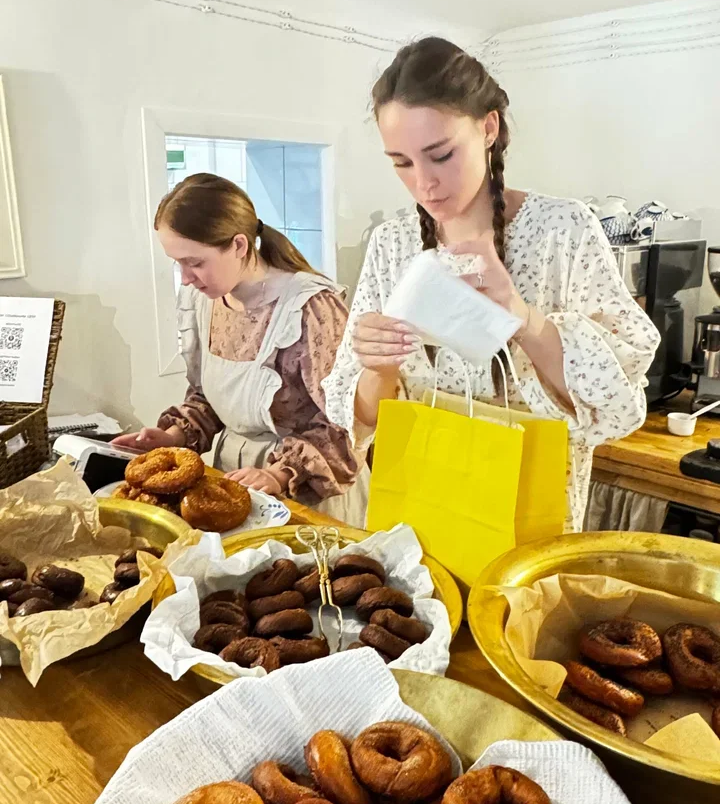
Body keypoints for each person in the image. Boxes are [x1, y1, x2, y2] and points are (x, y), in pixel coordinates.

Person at [323, 37, 660, 530]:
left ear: (488, 128)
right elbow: (362, 421)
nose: (424, 184)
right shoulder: (392, 243)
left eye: (440, 154)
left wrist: (523, 319)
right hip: (421, 517)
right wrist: (378, 368)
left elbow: (616, 406)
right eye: (401, 162)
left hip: (530, 519)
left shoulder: (562, 231)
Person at [113, 173, 366, 524]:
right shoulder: (204, 300)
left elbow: (346, 425)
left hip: (309, 495)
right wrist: (171, 437)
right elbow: (209, 397)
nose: (185, 278)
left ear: (239, 246)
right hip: (230, 483)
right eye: (178, 263)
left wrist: (279, 475)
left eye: (195, 262)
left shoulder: (309, 309)